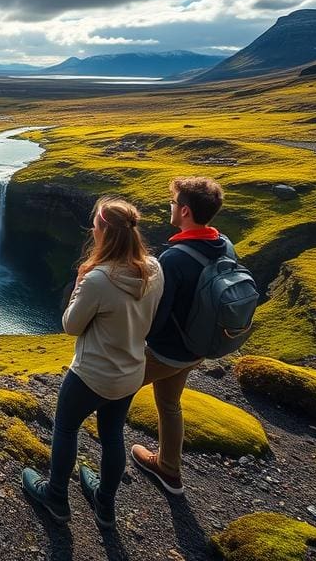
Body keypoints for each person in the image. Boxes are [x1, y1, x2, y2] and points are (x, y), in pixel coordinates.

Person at [23, 197, 163, 529]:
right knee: (113, 434)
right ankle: (105, 507)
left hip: (91, 374)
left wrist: (79, 281)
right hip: (130, 371)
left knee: (66, 428)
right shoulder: (154, 268)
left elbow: (70, 325)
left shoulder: (98, 279)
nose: (92, 230)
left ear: (102, 231)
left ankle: (55, 496)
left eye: (95, 225)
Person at [131, 176, 229, 495]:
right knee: (169, 403)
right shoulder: (224, 245)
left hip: (166, 351)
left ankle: (93, 464)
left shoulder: (174, 259)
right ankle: (169, 470)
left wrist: (135, 341)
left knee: (107, 390)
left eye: (173, 204)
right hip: (198, 347)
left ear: (184, 211)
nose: (170, 208)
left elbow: (156, 316)